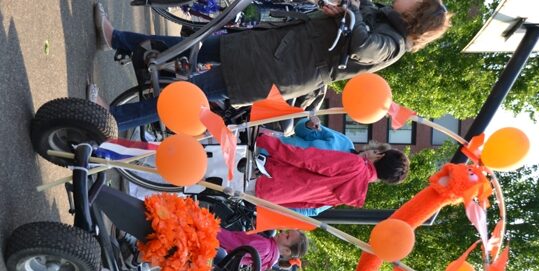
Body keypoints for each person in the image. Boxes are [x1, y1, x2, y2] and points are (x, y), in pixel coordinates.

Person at [93, 0, 452, 130]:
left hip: (278, 68)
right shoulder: (385, 16)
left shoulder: (394, 45)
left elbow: (364, 45)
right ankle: (119, 40)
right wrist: (343, 10)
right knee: (191, 46)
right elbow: (353, 17)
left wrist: (351, 14)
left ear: (417, 14)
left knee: (188, 97)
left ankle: (108, 119)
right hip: (273, 47)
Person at [251, 133, 409, 209]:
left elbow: (306, 158)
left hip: (265, 172)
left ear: (380, 155)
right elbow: (308, 204)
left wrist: (265, 140)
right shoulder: (353, 193)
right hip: (268, 195)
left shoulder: (355, 165)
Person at [218, 228, 308, 271]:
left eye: (287, 236)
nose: (283, 233)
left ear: (286, 250)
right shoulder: (271, 257)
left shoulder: (265, 246)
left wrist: (214, 228)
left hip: (219, 247)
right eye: (286, 232)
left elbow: (233, 243)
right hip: (225, 260)